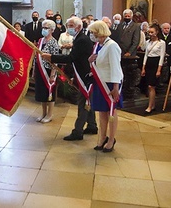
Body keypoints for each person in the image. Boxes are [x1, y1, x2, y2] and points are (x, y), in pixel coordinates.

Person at [42, 17, 97, 141]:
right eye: (67, 25)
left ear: (78, 27)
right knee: (87, 100)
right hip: (81, 73)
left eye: (71, 25)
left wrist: (52, 57)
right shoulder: (78, 38)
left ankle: (78, 131)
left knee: (83, 102)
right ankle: (92, 125)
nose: (69, 28)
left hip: (85, 76)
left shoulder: (82, 40)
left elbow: (71, 58)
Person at [88, 21, 123, 153]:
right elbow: (97, 62)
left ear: (99, 32)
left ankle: (111, 139)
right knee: (102, 112)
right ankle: (102, 137)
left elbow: (115, 67)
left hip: (109, 84)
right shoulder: (98, 45)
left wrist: (115, 87)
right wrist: (90, 60)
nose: (91, 35)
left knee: (111, 112)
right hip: (100, 82)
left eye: (93, 32)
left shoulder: (112, 46)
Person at [34, 19, 60, 123]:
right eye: (43, 27)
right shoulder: (40, 41)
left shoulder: (53, 42)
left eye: (46, 28)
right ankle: (43, 113)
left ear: (52, 30)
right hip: (40, 69)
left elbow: (55, 59)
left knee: (49, 92)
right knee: (41, 93)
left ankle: (49, 114)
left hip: (49, 71)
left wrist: (53, 75)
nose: (44, 29)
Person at [141, 24, 166, 114]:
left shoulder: (161, 43)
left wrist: (159, 70)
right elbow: (146, 55)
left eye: (152, 32)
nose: (150, 34)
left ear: (157, 32)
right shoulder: (148, 42)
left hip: (156, 64)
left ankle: (150, 106)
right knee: (149, 86)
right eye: (149, 32)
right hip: (148, 64)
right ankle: (153, 104)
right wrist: (143, 68)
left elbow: (162, 57)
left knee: (151, 86)